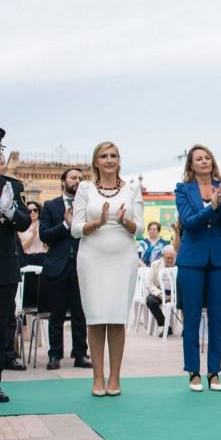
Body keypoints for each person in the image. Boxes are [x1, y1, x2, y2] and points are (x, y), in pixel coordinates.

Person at [72, 143, 143, 396]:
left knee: (116, 317)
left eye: (114, 155)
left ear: (119, 161)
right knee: (95, 317)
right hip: (92, 256)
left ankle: (115, 378)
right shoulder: (85, 188)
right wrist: (98, 222)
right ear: (96, 162)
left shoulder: (132, 188)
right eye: (104, 156)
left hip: (123, 256)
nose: (110, 160)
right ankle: (97, 377)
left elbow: (141, 229)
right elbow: (75, 228)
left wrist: (125, 221)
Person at [175, 144, 221, 392]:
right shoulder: (182, 189)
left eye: (207, 157)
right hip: (191, 259)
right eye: (198, 158)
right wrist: (210, 208)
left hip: (219, 258)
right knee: (191, 317)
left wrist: (219, 205)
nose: (204, 161)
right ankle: (193, 372)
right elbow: (188, 222)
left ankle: (214, 372)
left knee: (217, 316)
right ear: (191, 164)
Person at [40, 168, 91, 371]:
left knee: (80, 314)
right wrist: (64, 224)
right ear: (63, 181)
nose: (77, 181)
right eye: (73, 177)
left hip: (81, 267)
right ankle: (55, 355)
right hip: (57, 267)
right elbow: (44, 234)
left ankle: (80, 354)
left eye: (80, 178)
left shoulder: (86, 207)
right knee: (57, 314)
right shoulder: (50, 206)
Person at [0, 128, 32, 402]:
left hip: (3, 266)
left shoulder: (12, 186)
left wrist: (9, 210)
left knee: (2, 324)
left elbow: (24, 222)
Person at [145, 246, 177, 333]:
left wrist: (174, 294)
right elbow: (148, 283)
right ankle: (164, 325)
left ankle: (186, 328)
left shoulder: (180, 264)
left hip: (176, 292)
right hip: (160, 290)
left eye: (172, 258)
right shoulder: (156, 264)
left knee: (189, 300)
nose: (170, 260)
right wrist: (159, 294)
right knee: (150, 301)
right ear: (163, 256)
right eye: (168, 258)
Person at [20, 201, 47, 266]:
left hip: (42, 257)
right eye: (30, 211)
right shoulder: (22, 226)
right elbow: (22, 248)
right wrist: (33, 236)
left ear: (39, 211)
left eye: (35, 210)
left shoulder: (44, 225)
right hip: (27, 258)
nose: (33, 212)